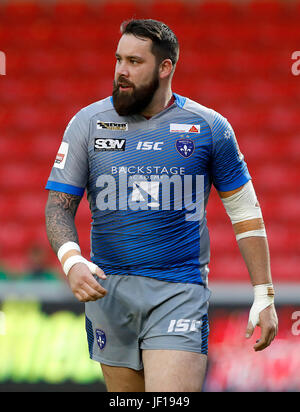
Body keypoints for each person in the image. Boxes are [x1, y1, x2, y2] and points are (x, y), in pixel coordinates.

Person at [45, 19, 278, 392]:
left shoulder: (209, 127)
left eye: (135, 62)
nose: (121, 70)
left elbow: (246, 215)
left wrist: (264, 295)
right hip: (109, 292)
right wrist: (71, 262)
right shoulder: (87, 124)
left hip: (179, 292)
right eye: (119, 59)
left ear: (165, 67)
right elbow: (58, 207)